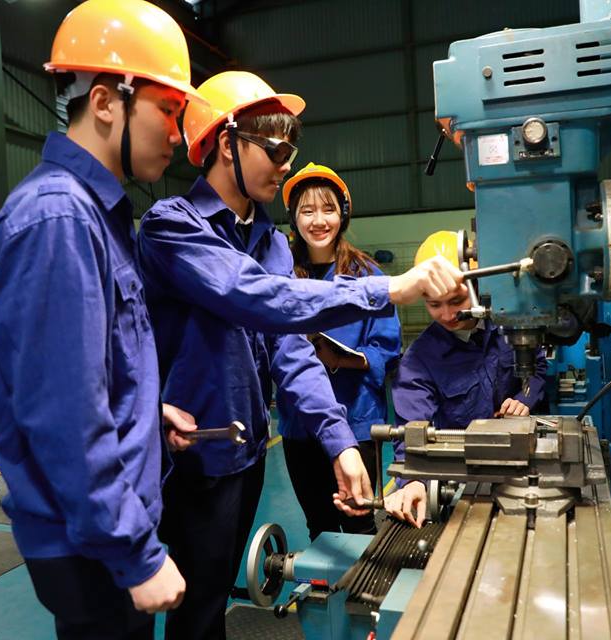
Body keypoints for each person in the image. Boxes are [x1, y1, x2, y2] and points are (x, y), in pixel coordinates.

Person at [137, 71, 466, 639]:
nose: (286, 165)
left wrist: (340, 444)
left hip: (243, 458)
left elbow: (290, 350)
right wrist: (389, 289)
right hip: (188, 460)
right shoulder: (171, 227)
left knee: (209, 601)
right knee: (187, 609)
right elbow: (255, 296)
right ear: (226, 144)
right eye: (276, 150)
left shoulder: (266, 240)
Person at [0, 1, 205, 637]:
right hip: (92, 546)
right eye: (169, 109)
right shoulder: (59, 219)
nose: (178, 135)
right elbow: (64, 416)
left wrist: (144, 410)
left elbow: (90, 370)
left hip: (101, 531)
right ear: (106, 102)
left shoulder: (96, 215)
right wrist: (136, 553)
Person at [384, 231, 549, 527]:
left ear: (478, 286)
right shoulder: (420, 361)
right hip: (462, 480)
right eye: (434, 304)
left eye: (456, 300)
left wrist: (525, 398)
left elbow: (537, 367)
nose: (448, 314)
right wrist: (414, 481)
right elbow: (411, 429)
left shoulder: (510, 327)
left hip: (520, 465)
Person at [277, 163, 402, 540]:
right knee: (319, 525)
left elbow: (387, 347)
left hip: (356, 419)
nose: (318, 221)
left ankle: (363, 582)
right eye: (307, 211)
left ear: (343, 214)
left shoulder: (368, 275)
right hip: (300, 426)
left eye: (328, 209)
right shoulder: (282, 276)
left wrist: (343, 358)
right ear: (294, 218)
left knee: (359, 522)